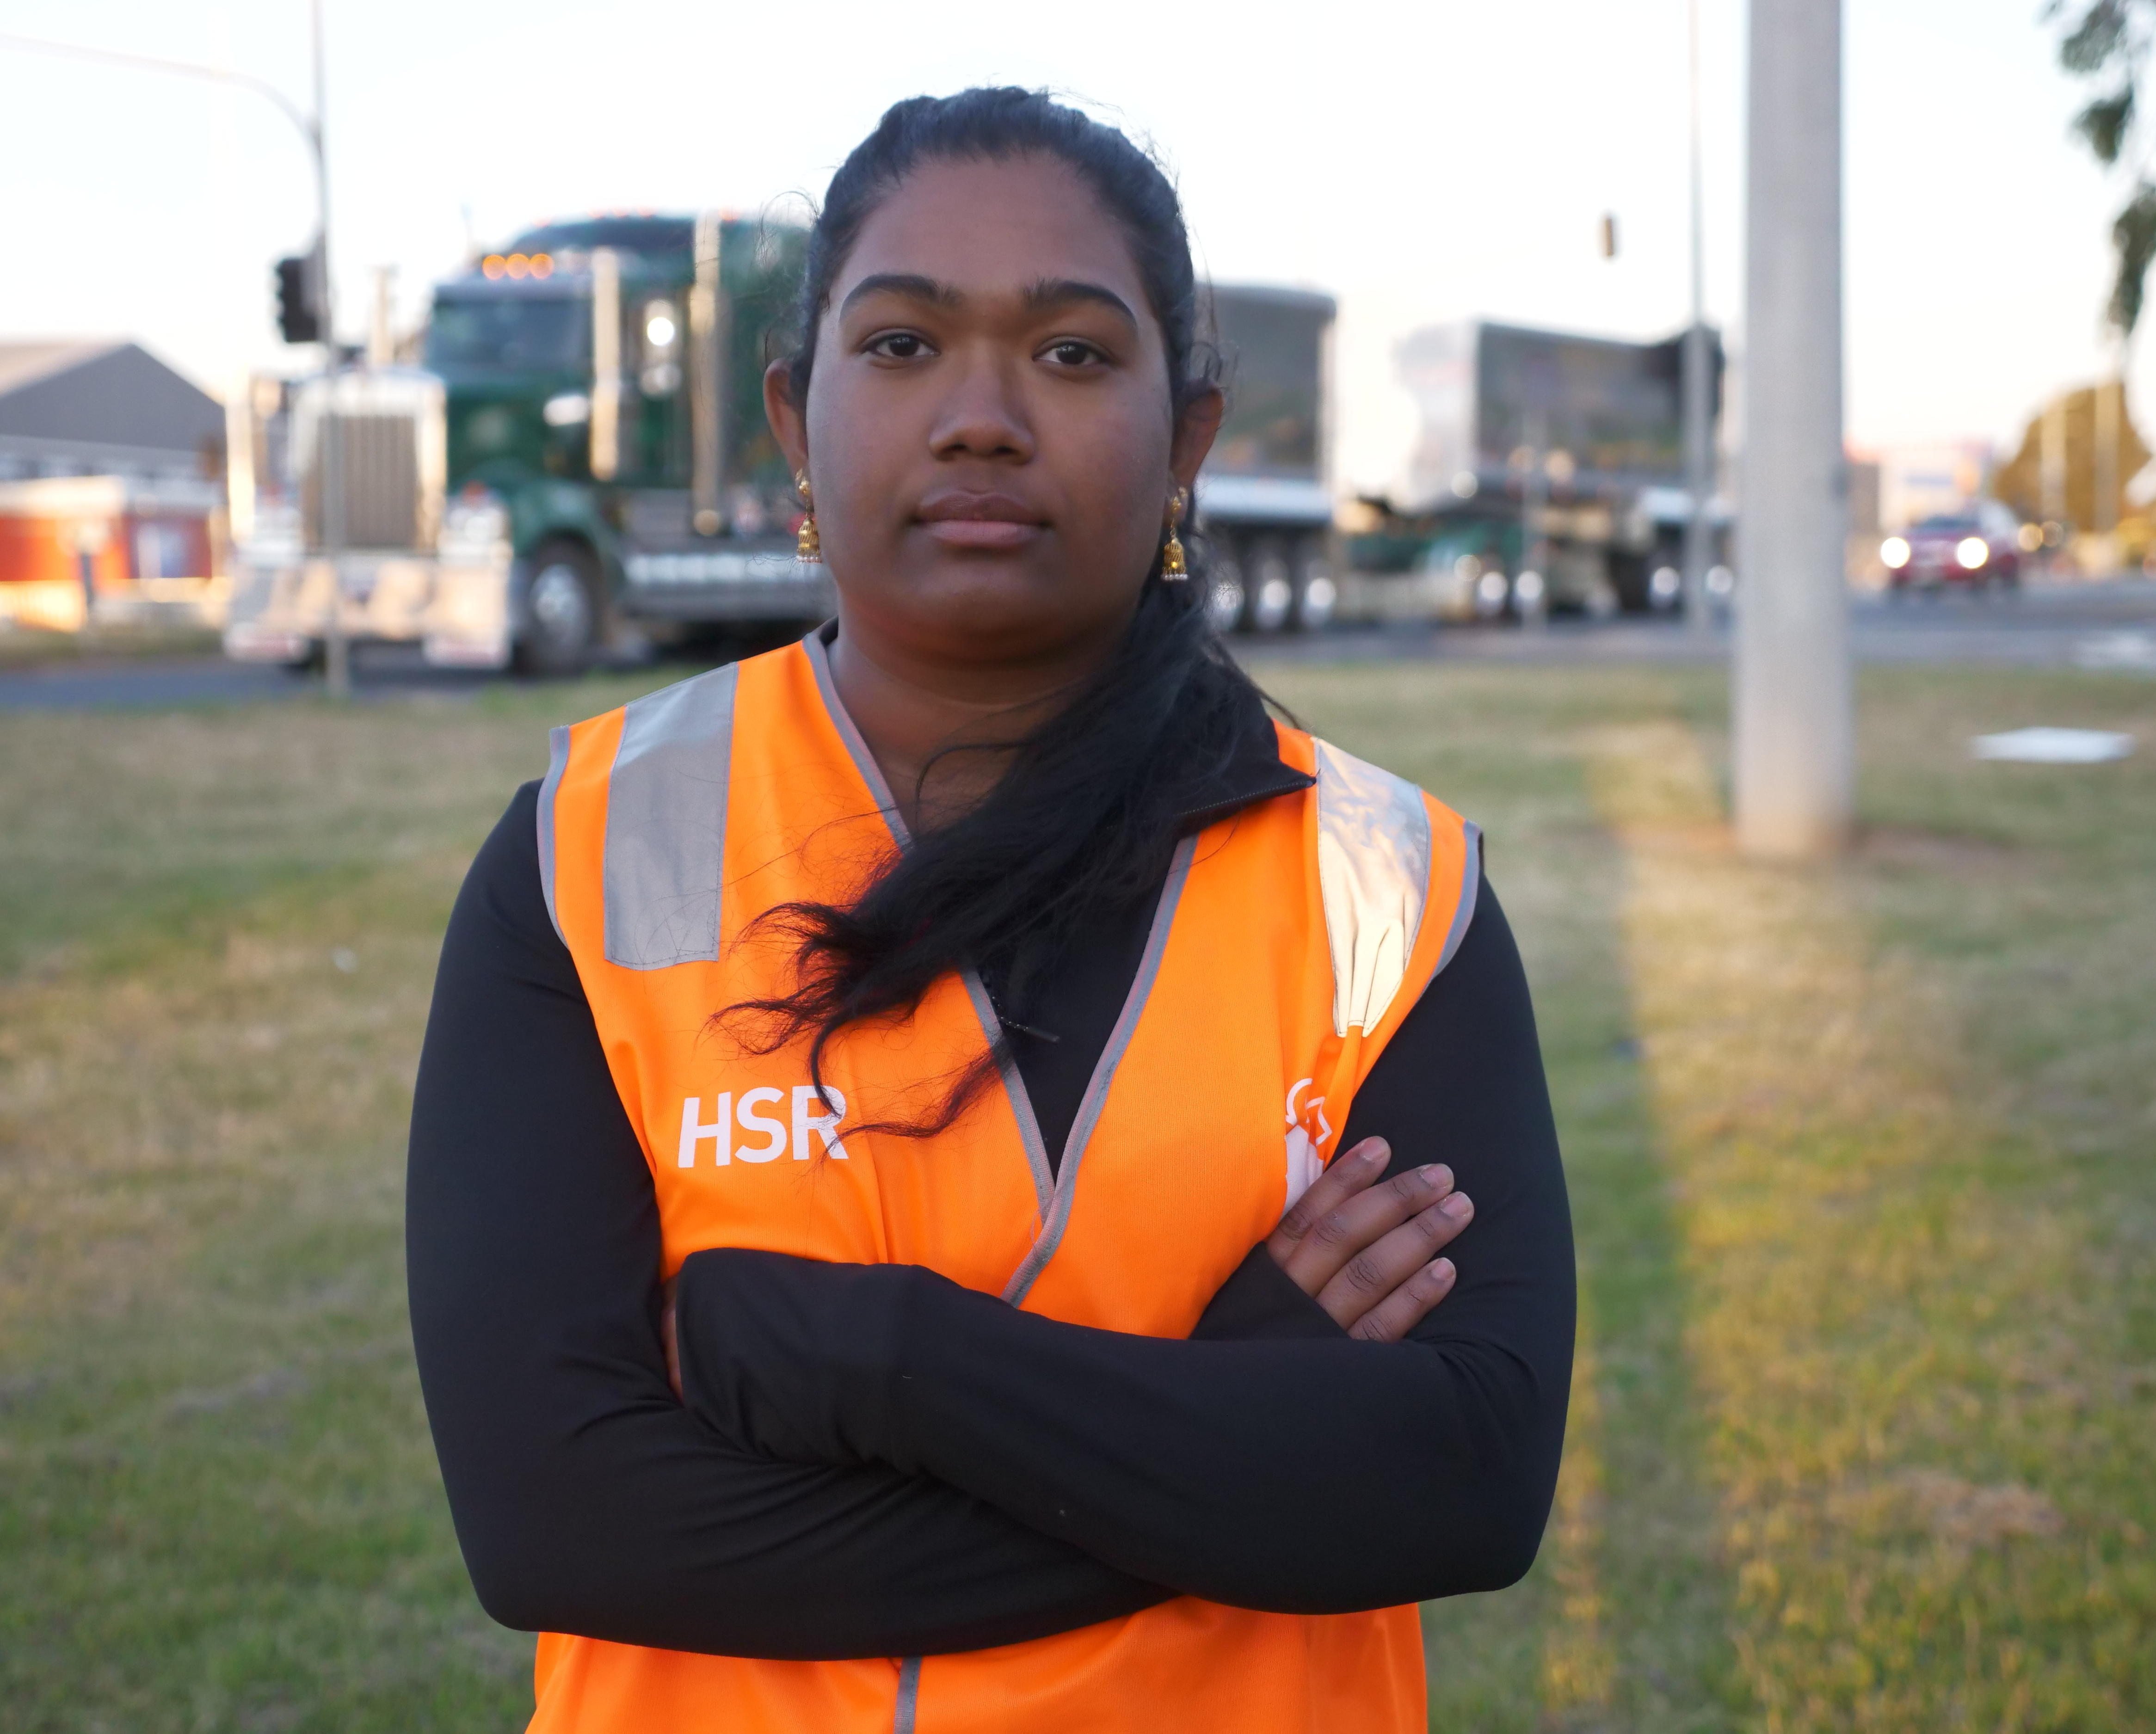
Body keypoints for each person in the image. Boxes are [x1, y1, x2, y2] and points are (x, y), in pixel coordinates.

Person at [407, 87, 1575, 1734]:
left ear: (1187, 442)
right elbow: (561, 1523)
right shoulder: (586, 852)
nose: (980, 419)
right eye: (901, 345)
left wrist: (877, 1360)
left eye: (1073, 352)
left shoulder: (1388, 883)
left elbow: (1465, 1483)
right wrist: (1230, 1420)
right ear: (794, 419)